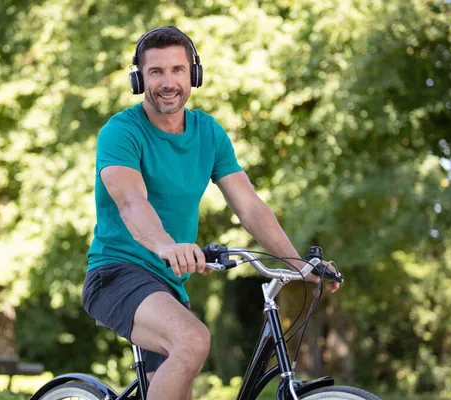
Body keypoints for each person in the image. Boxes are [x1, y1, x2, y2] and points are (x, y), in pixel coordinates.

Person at [82, 26, 340, 400]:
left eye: (177, 70)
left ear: (194, 75)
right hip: (115, 274)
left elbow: (249, 205)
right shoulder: (121, 132)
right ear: (139, 79)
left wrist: (299, 265)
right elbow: (131, 202)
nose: (168, 82)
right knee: (194, 339)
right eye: (155, 72)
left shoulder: (209, 133)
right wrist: (166, 246)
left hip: (166, 286)